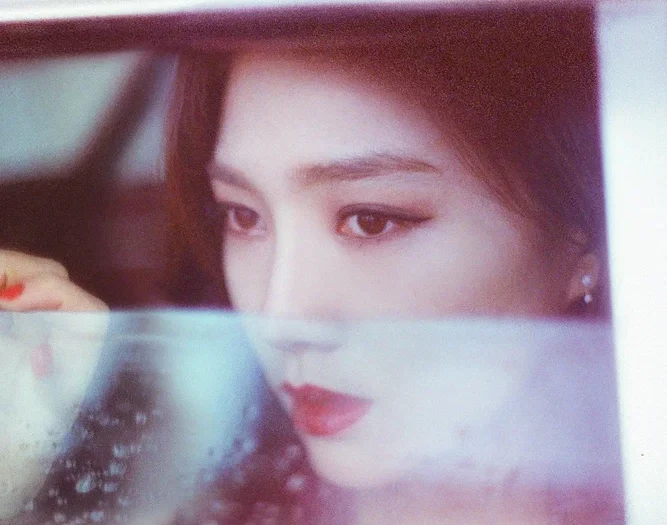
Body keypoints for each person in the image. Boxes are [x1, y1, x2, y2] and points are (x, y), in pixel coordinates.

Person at [1, 7, 620, 525]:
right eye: (243, 216)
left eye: (371, 220)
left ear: (583, 235)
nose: (280, 314)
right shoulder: (205, 494)